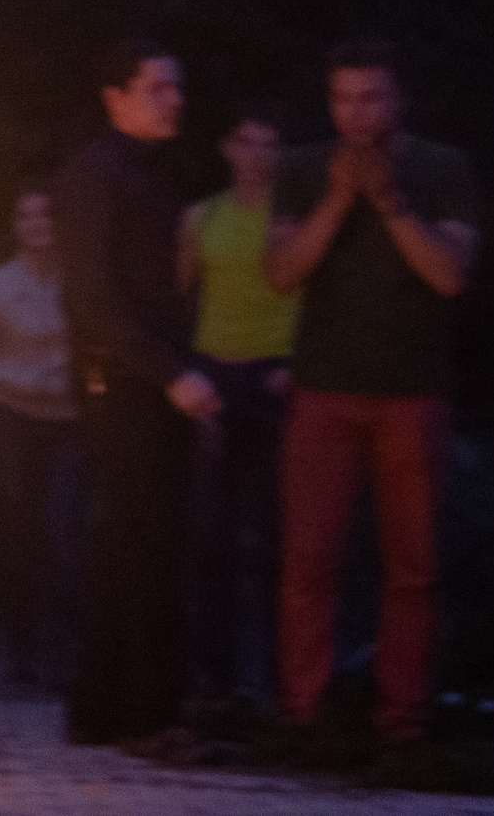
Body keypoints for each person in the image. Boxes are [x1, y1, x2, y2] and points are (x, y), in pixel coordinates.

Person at [266, 41, 478, 753]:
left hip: (412, 392)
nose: (356, 113)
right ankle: (303, 716)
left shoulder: (443, 168)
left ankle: (401, 724)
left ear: (398, 100)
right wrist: (337, 198)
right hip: (324, 388)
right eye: (343, 99)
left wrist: (389, 203)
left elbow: (449, 275)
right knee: (308, 560)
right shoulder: (303, 167)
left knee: (413, 568)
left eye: (371, 98)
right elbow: (280, 272)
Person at [55, 40, 221, 751]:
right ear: (115, 97)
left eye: (176, 87)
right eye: (157, 88)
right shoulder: (97, 176)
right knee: (143, 546)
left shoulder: (146, 177)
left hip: (143, 380)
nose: (174, 100)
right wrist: (169, 372)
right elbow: (94, 300)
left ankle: (103, 708)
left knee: (129, 545)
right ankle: (148, 714)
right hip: (124, 383)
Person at [177, 104, 297, 708]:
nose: (257, 157)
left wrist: (298, 366)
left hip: (277, 376)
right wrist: (186, 370)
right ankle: (212, 673)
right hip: (217, 375)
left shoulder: (295, 218)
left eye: (269, 145)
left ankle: (280, 676)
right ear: (228, 148)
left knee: (282, 534)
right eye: (248, 143)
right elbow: (177, 297)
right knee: (212, 533)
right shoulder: (201, 217)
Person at [0, 184, 80, 690]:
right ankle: (24, 650)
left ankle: (65, 652)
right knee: (18, 536)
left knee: (64, 532)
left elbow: (97, 350)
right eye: (26, 217)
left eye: (45, 214)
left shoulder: (80, 282)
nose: (37, 224)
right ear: (16, 227)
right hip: (13, 417)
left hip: (68, 419)